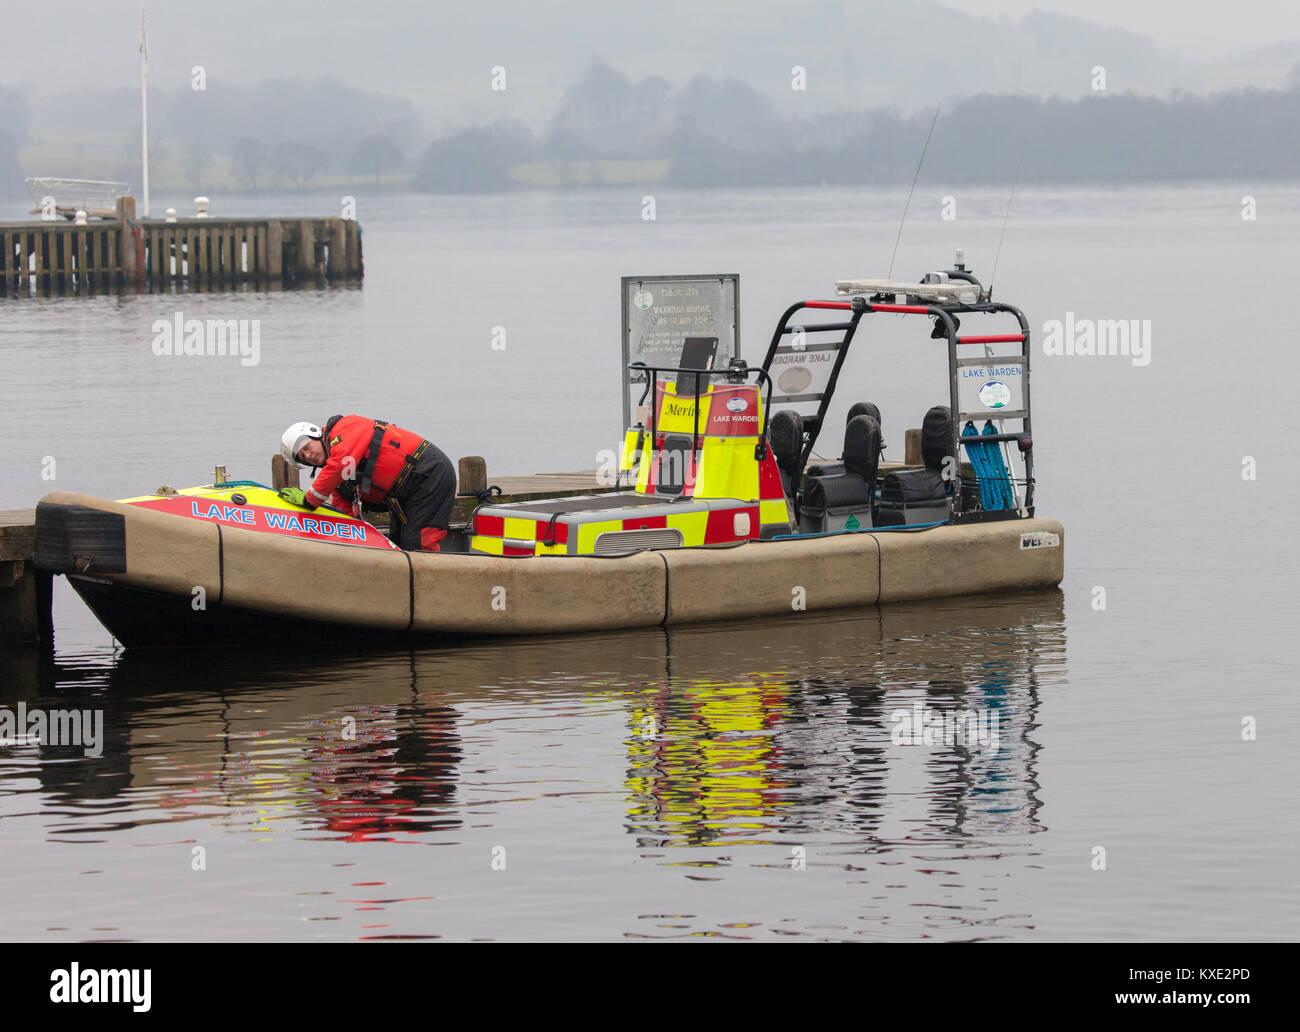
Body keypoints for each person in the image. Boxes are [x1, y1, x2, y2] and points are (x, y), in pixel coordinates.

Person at [278, 415, 456, 551]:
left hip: (428, 473)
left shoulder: (345, 428)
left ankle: (429, 592)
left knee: (418, 543)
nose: (309, 455)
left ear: (315, 434)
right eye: (303, 457)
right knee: (395, 545)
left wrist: (308, 501)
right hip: (404, 494)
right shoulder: (340, 481)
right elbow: (344, 518)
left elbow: (341, 461)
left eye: (307, 447)